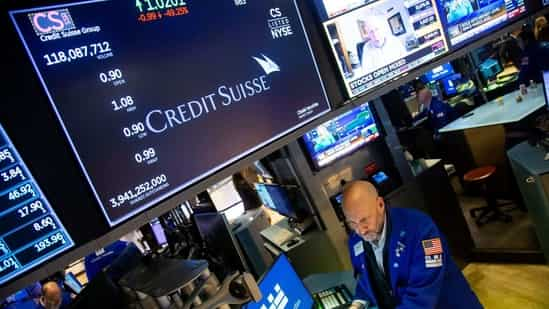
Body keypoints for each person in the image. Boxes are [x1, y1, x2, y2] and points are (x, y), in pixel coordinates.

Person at [342, 181, 482, 309]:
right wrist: (357, 304)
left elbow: (423, 297)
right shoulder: (356, 241)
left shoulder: (423, 229)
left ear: (380, 204)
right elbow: (367, 278)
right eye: (352, 223)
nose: (361, 230)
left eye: (364, 220)